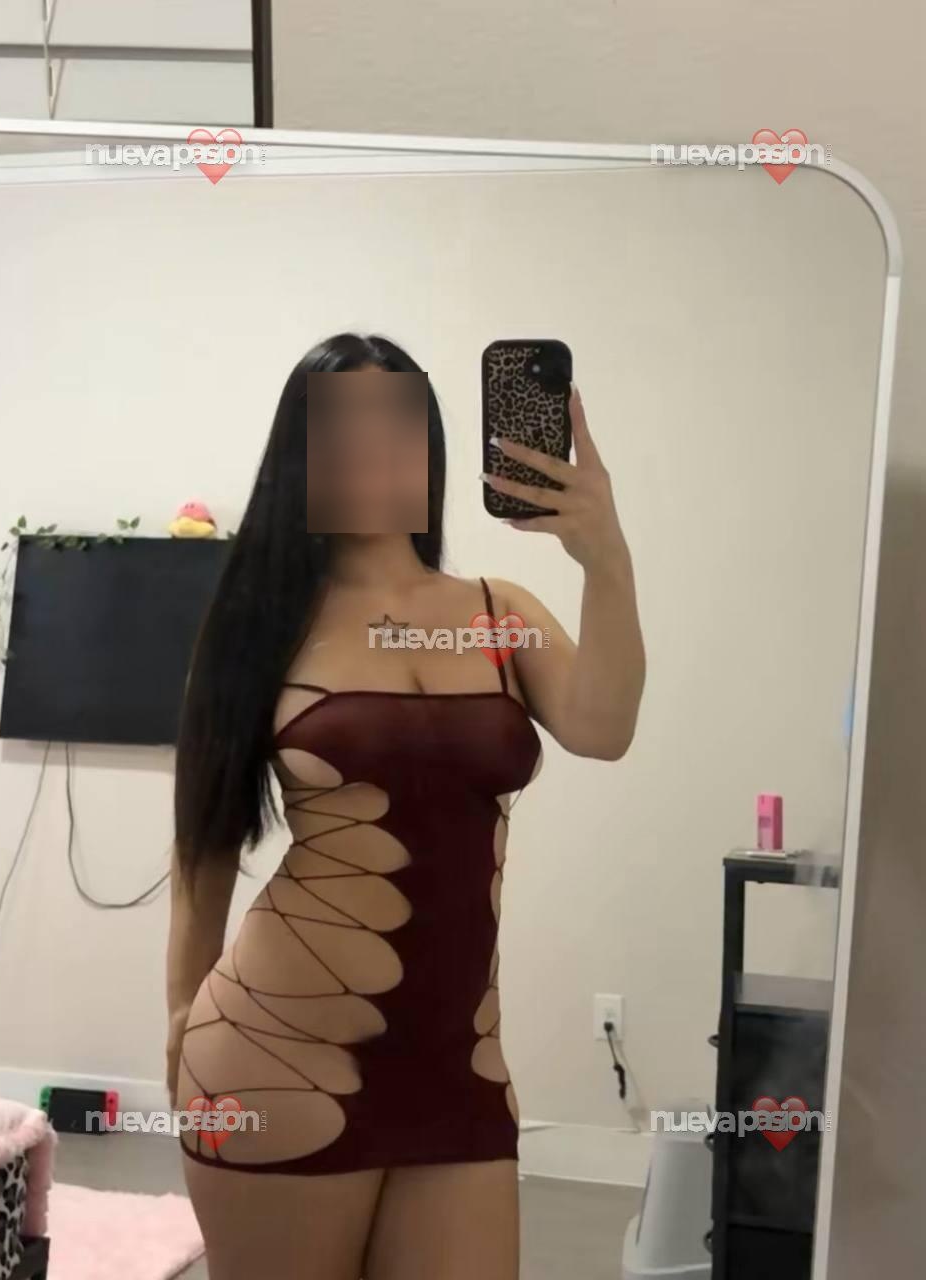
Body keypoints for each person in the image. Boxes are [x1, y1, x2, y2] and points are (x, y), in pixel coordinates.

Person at [166, 332, 645, 1280]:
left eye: (399, 425)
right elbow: (206, 838)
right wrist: (179, 1010)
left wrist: (604, 556)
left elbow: (603, 725)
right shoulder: (261, 623)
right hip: (277, 1050)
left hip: (459, 1067)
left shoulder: (497, 611)